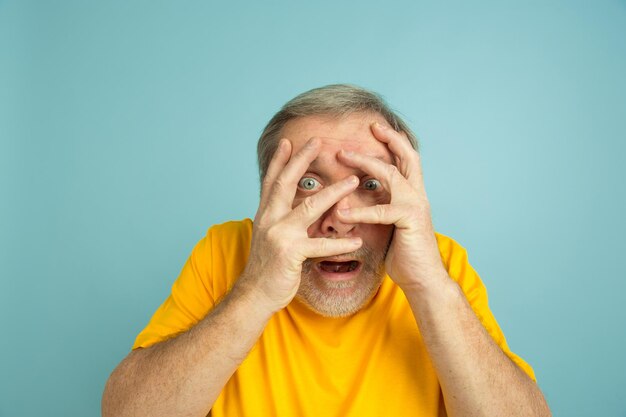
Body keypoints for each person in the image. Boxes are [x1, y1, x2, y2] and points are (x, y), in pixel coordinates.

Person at [102, 84, 551, 417]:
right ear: (267, 196)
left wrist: (429, 286)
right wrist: (257, 289)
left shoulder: (438, 264)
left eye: (370, 184)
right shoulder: (227, 251)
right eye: (308, 183)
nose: (338, 218)